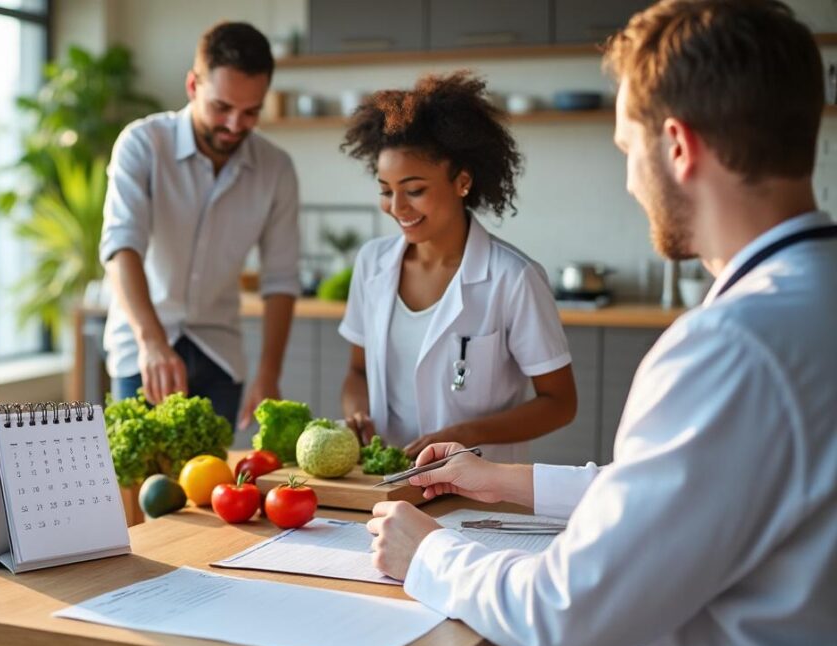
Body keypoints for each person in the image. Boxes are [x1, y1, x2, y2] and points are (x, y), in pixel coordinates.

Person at [366, 1, 837, 646]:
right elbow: (693, 490)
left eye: (625, 150)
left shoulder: (731, 349)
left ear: (677, 145)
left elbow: (565, 615)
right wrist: (498, 480)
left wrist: (429, 555)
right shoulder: (805, 304)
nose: (629, 180)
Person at [339, 72, 577, 462]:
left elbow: (560, 402)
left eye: (414, 190)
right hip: (387, 482)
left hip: (480, 491)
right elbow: (357, 373)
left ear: (462, 181)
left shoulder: (514, 278)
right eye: (386, 190)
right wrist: (357, 413)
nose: (397, 208)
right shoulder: (372, 264)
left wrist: (465, 435)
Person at [101, 21, 299, 429]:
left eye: (250, 113)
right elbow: (122, 247)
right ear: (193, 86)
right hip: (143, 350)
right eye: (221, 108)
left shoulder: (275, 169)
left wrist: (269, 372)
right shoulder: (142, 145)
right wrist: (151, 341)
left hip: (220, 355)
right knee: (138, 488)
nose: (233, 126)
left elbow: (280, 280)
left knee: (209, 488)